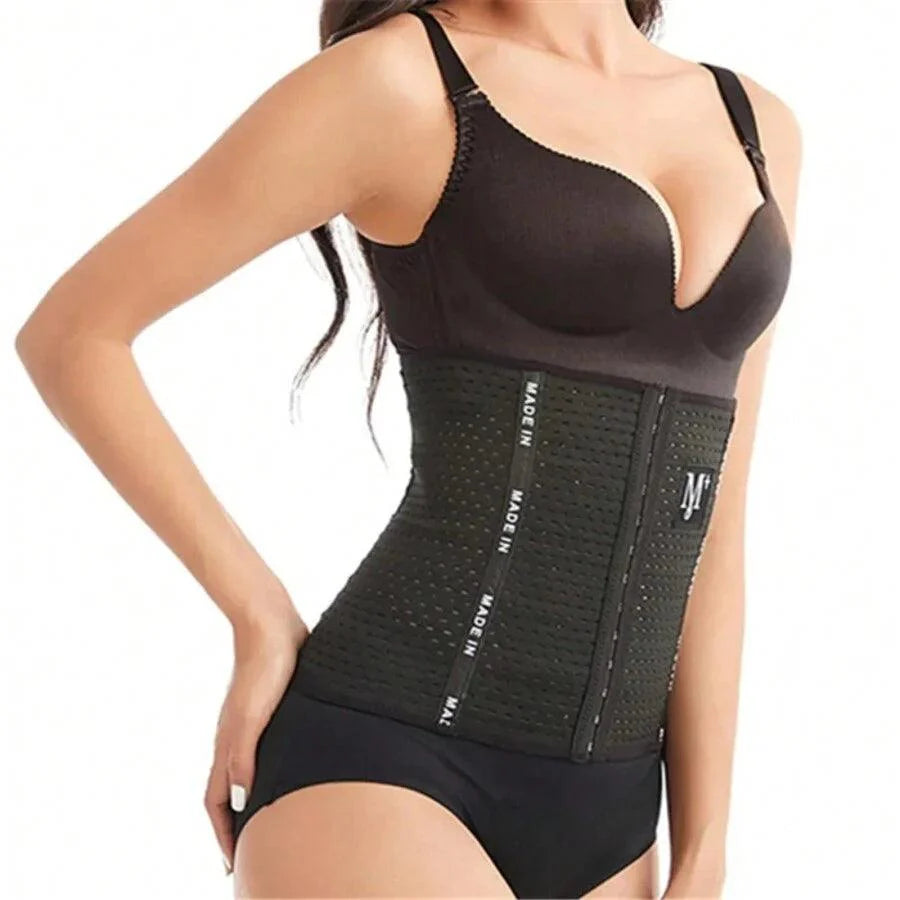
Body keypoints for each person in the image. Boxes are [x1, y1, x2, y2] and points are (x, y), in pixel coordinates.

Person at [15, 1, 802, 897]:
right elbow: (73, 334)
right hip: (391, 764)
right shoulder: (399, 82)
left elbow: (714, 522)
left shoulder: (758, 127)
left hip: (618, 815)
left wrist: (706, 846)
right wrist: (257, 613)